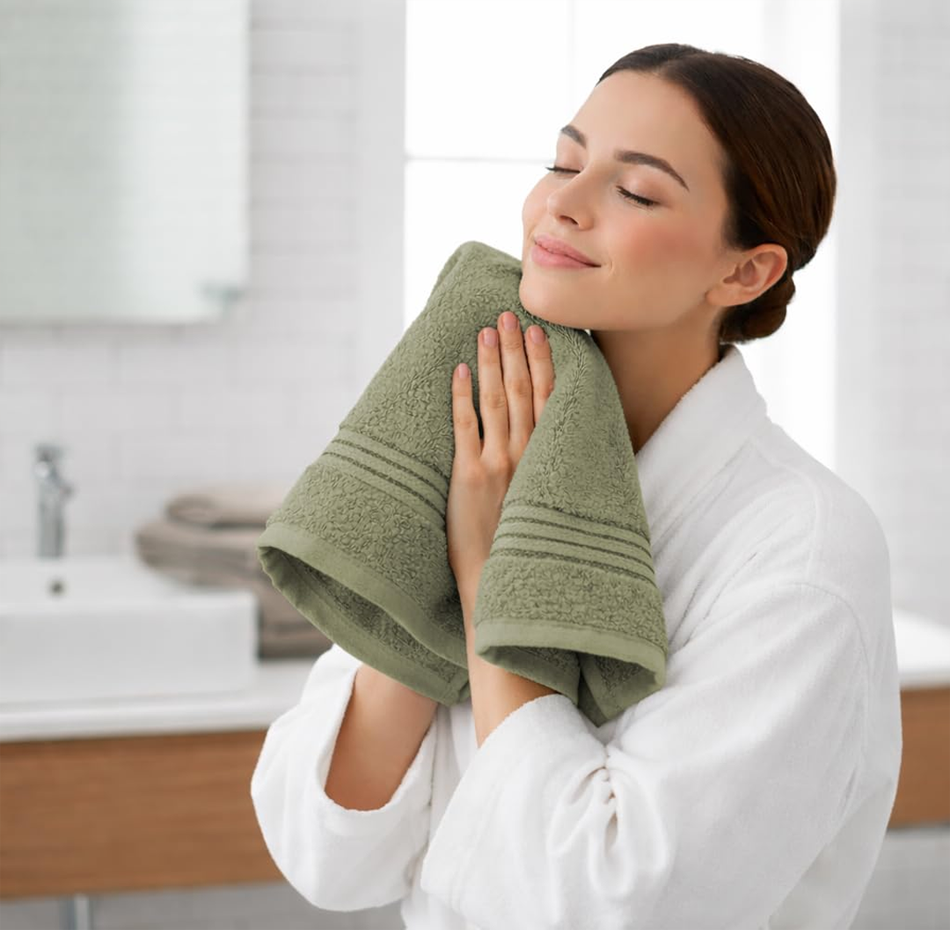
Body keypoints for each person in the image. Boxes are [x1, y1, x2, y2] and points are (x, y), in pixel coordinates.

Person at [250, 43, 902, 930]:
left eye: (635, 191)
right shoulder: (482, 448)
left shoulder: (806, 551)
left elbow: (610, 903)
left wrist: (493, 576)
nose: (561, 203)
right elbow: (325, 851)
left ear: (744, 271)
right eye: (563, 163)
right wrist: (437, 572)